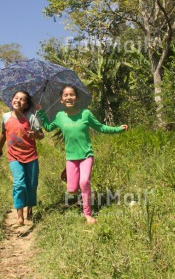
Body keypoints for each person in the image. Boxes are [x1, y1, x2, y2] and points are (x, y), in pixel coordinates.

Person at [37, 85, 128, 224]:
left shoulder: (86, 114)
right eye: (65, 95)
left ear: (77, 98)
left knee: (84, 182)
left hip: (86, 155)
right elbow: (49, 128)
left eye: (72, 95)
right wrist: (42, 113)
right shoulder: (60, 116)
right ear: (61, 100)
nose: (69, 97)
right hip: (71, 158)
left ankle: (88, 214)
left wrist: (118, 129)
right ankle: (69, 173)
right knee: (72, 190)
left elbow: (101, 127)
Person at [0, 90, 44, 226]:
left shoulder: (31, 118)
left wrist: (35, 134)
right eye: (16, 98)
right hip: (14, 156)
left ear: (26, 104)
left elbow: (41, 135)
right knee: (19, 183)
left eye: (22, 99)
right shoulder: (5, 117)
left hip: (31, 156)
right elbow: (3, 134)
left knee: (32, 184)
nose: (18, 100)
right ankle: (19, 217)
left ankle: (30, 208)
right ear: (12, 100)